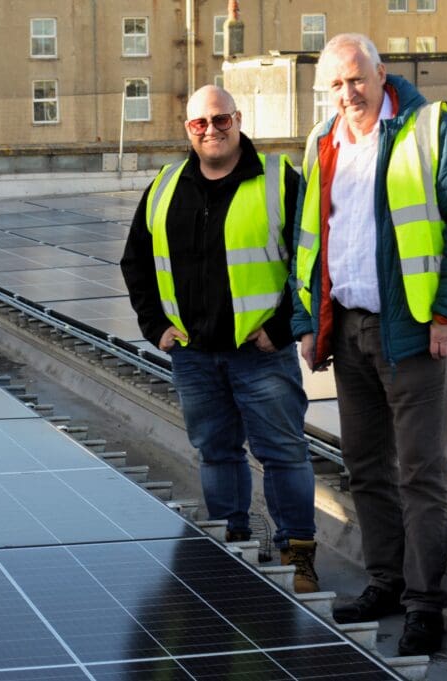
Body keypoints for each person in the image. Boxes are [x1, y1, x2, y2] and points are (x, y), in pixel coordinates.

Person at [292, 34, 447, 655]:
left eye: (356, 79)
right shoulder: (322, 142)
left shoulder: (429, 128)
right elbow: (310, 240)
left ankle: (424, 604)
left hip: (411, 332)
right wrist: (309, 322)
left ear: (381, 74)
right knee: (366, 468)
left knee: (422, 473)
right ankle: (384, 580)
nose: (347, 93)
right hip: (346, 332)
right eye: (335, 84)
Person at [121, 84, 318, 593]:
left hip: (260, 356)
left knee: (283, 454)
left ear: (238, 119)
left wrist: (282, 328)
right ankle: (234, 540)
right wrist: (153, 325)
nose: (211, 130)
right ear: (187, 129)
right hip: (194, 356)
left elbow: (312, 259)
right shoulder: (165, 185)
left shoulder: (278, 180)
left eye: (221, 120)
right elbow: (135, 261)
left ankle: (297, 555)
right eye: (199, 124)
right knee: (217, 453)